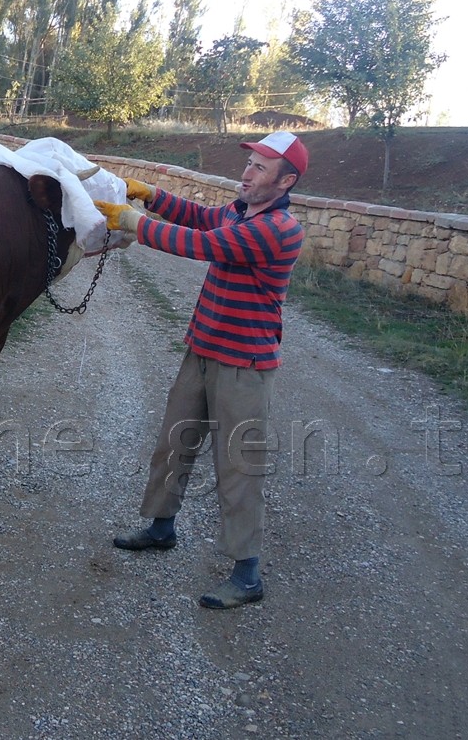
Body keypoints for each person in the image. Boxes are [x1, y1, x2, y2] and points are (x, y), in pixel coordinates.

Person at [94, 131, 308, 610]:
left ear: (286, 180)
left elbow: (202, 243)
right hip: (203, 349)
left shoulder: (278, 229)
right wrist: (152, 195)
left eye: (259, 167)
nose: (246, 173)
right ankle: (160, 527)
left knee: (238, 466)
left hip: (244, 364)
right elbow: (199, 217)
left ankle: (247, 573)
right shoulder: (241, 210)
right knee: (175, 441)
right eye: (249, 163)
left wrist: (135, 221)